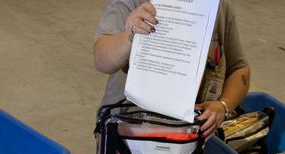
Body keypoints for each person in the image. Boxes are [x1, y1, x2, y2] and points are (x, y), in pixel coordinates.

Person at [93, 0, 251, 137]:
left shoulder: (218, 6)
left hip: (193, 136)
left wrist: (223, 106)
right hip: (130, 133)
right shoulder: (132, 2)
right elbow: (102, 61)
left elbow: (240, 69)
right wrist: (129, 35)